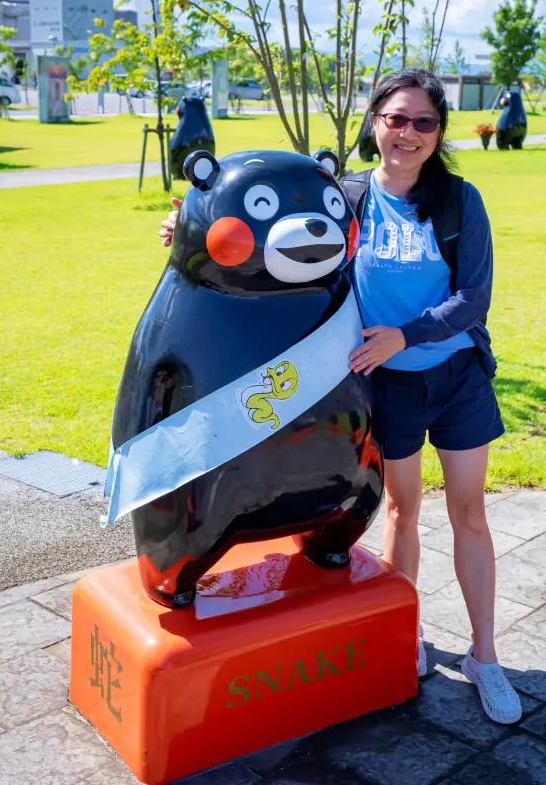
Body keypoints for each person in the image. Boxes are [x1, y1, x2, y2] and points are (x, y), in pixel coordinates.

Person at [158, 68, 521, 725]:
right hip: (388, 386)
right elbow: (270, 235)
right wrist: (191, 227)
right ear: (374, 121)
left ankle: (484, 657)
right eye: (396, 118)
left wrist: (404, 336)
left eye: (423, 123)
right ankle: (401, 636)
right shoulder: (347, 197)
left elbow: (474, 299)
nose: (407, 134)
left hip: (457, 378)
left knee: (470, 515)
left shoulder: (460, 202)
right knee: (403, 515)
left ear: (438, 134)